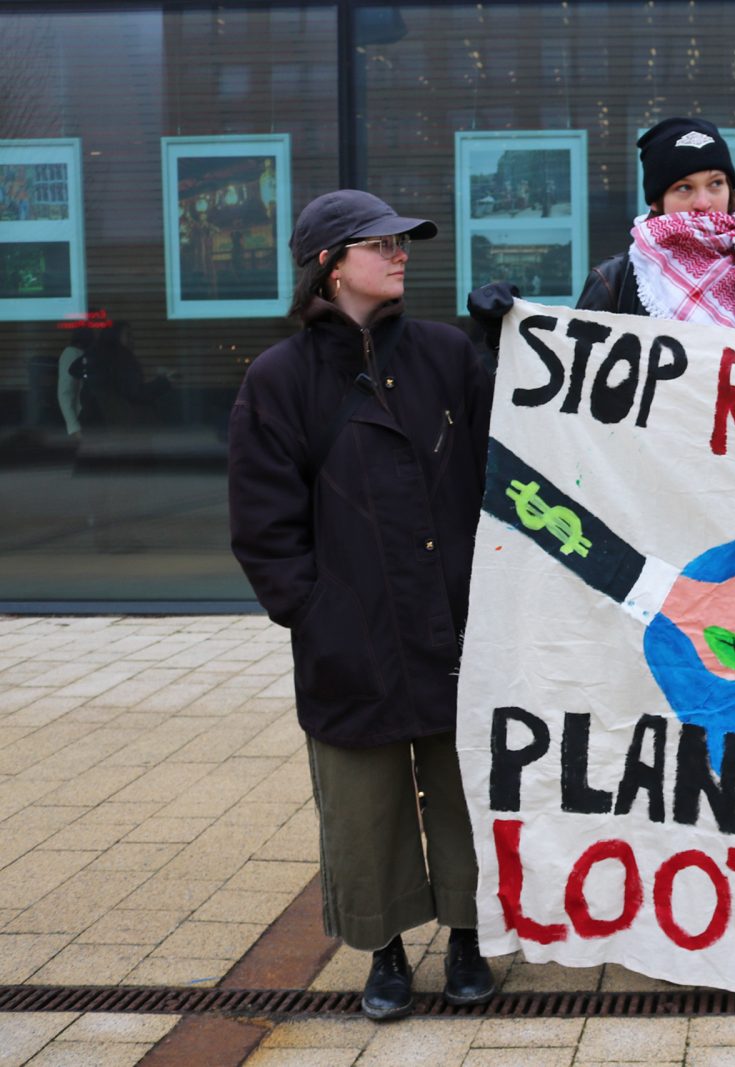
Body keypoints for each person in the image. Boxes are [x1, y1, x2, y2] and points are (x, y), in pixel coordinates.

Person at [227, 190, 496, 1021]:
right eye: (379, 243)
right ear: (330, 265)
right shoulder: (279, 380)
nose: (399, 252)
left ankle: (469, 935)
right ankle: (384, 950)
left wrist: (506, 345)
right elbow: (263, 527)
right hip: (352, 639)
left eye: (402, 240)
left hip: (457, 624)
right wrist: (317, 613)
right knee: (362, 808)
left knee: (465, 791)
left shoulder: (447, 354)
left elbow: (511, 460)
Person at [469, 116, 735, 339]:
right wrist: (503, 332)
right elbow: (574, 375)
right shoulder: (618, 280)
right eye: (684, 188)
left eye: (716, 183)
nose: (703, 202)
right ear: (656, 201)